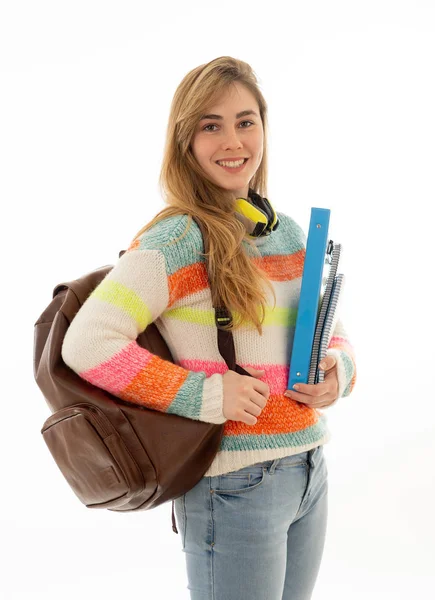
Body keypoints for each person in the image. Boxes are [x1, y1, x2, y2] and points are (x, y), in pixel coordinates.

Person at [61, 56, 357, 600]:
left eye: (246, 121)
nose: (232, 140)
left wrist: (341, 371)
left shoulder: (286, 232)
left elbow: (330, 331)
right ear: (185, 141)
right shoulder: (177, 240)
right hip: (236, 484)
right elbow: (88, 342)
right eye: (210, 125)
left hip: (309, 469)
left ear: (264, 128)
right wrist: (205, 394)